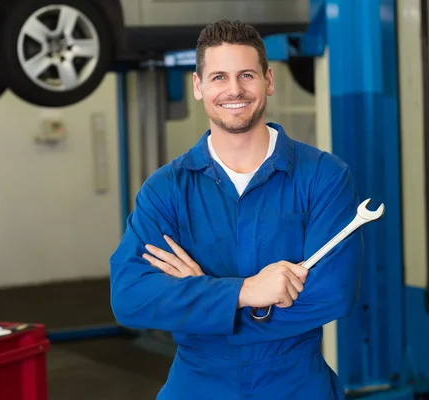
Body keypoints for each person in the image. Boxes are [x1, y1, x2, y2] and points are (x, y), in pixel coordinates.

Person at [109, 19, 363, 400]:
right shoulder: (167, 189)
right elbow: (130, 298)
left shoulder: (324, 177)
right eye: (218, 78)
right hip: (198, 382)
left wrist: (198, 296)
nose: (234, 90)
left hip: (294, 382)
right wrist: (244, 292)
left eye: (246, 75)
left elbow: (332, 294)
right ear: (198, 86)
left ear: (269, 80)